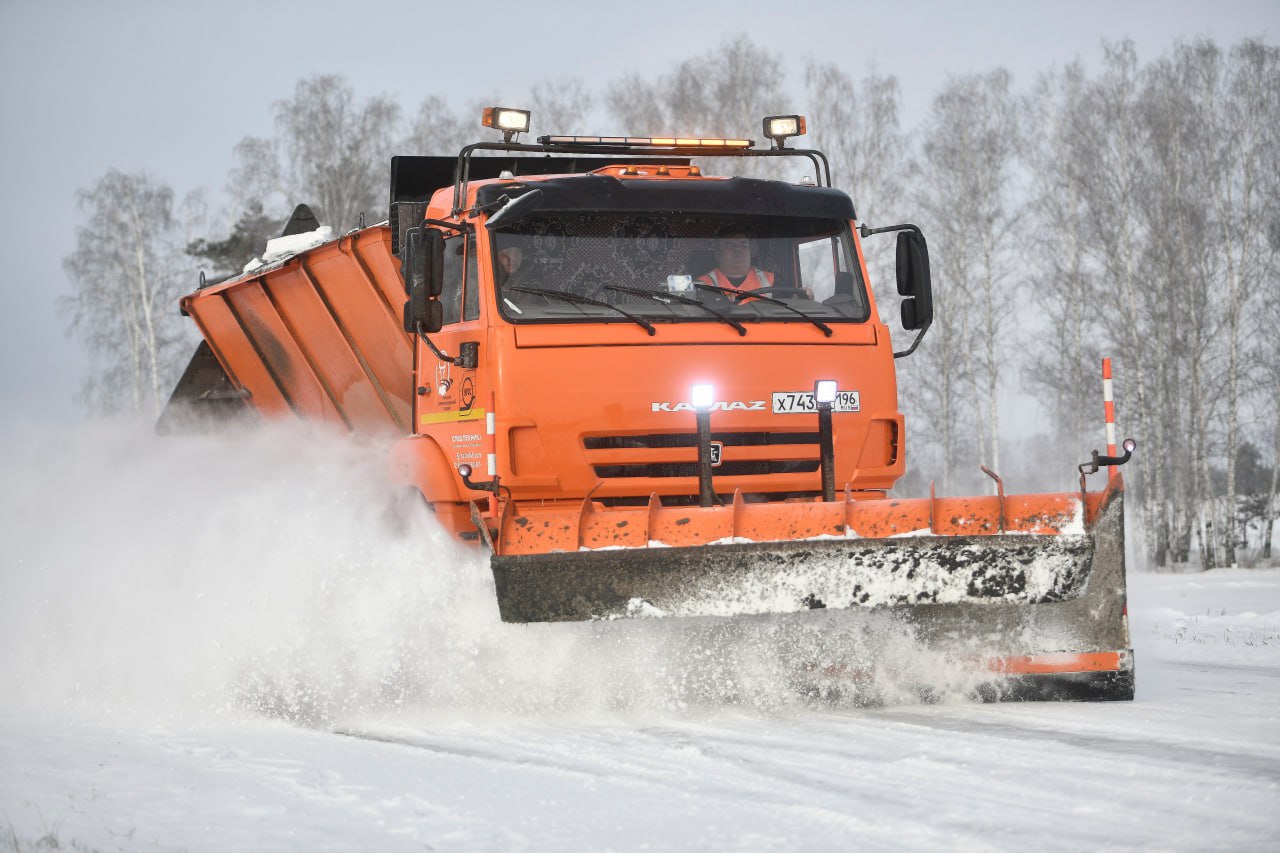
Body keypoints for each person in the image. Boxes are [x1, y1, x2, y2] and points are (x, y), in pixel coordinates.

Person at [697, 229, 774, 293]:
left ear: (751, 252)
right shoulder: (702, 284)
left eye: (743, 244)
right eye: (729, 245)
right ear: (717, 254)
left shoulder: (770, 280)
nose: (738, 249)